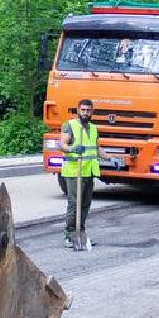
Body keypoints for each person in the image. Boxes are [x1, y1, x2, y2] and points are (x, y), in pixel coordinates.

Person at [60, 99, 101, 248]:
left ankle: (81, 234)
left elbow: (97, 149)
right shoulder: (70, 125)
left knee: (85, 204)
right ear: (78, 110)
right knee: (74, 204)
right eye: (83, 110)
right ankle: (70, 235)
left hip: (88, 171)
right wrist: (72, 149)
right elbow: (62, 144)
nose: (85, 112)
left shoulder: (93, 128)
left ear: (92, 112)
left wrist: (111, 158)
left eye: (88, 110)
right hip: (73, 172)